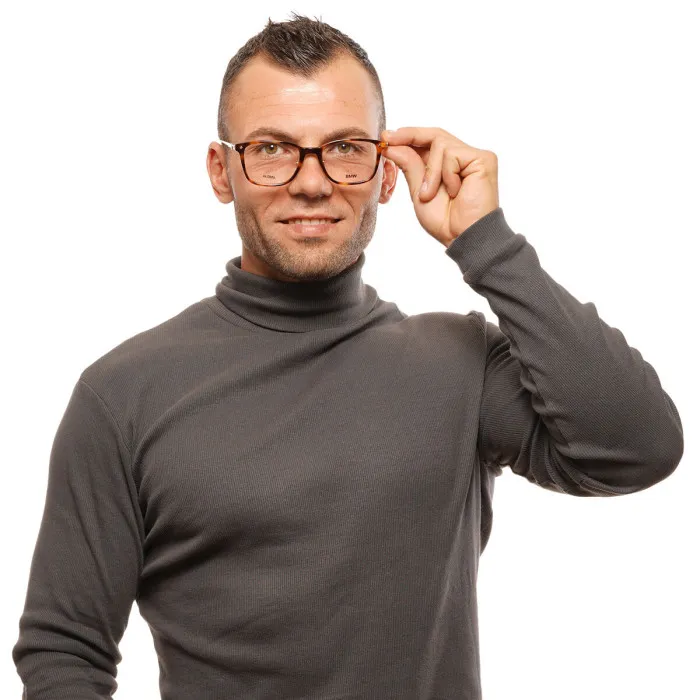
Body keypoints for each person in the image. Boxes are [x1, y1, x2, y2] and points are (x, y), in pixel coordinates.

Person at [11, 12, 684, 700]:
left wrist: (486, 242)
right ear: (221, 171)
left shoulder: (463, 365)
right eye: (271, 148)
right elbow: (64, 652)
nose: (311, 182)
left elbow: (638, 448)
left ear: (386, 173)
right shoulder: (123, 395)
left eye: (345, 147)